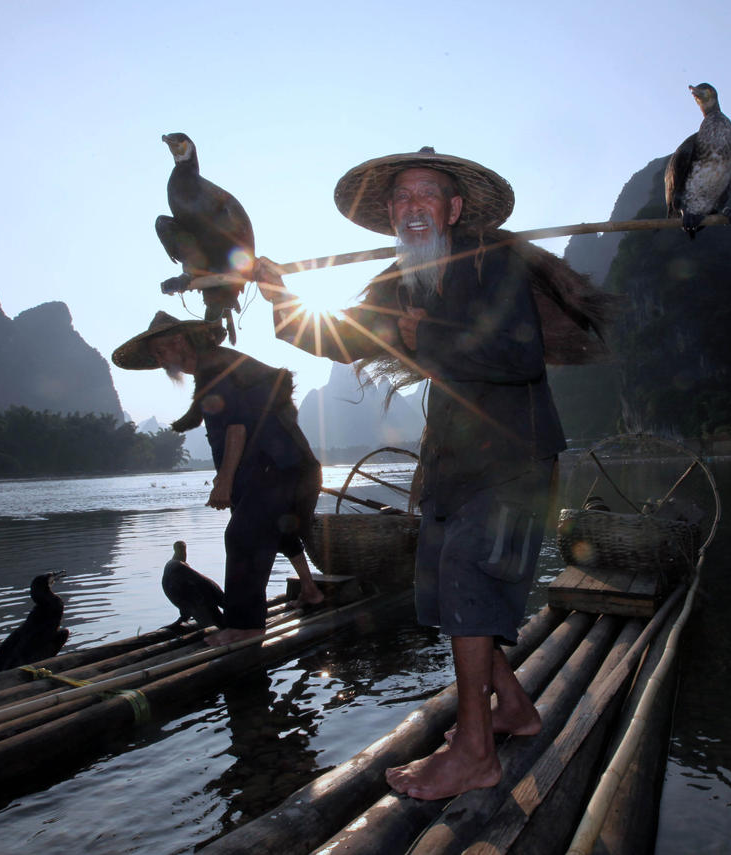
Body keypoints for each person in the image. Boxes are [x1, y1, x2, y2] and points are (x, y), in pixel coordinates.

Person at [257, 148, 613, 800]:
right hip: (451, 459)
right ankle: (513, 707)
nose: (412, 208)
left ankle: (477, 750)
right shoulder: (405, 283)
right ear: (390, 216)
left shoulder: (494, 263)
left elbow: (518, 354)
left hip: (511, 457)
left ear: (452, 209)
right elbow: (338, 336)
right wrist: (278, 291)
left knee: (471, 584)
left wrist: (428, 339)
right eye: (400, 200)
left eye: (426, 196)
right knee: (447, 595)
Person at [112, 312, 324, 646]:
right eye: (154, 357)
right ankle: (309, 591)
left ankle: (245, 627)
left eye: (160, 352)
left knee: (242, 536)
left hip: (278, 468)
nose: (160, 360)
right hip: (279, 468)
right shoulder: (218, 368)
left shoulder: (216, 370)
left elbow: (236, 427)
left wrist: (223, 482)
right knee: (271, 530)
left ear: (179, 341)